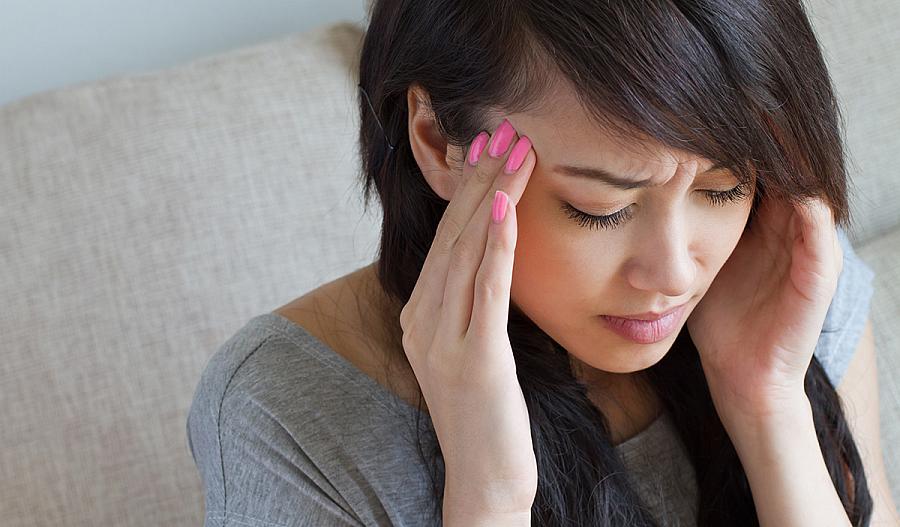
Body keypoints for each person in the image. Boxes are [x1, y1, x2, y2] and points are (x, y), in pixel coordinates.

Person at [187, 1, 900, 525]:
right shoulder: (286, 409)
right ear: (437, 140)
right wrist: (489, 498)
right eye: (600, 207)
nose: (676, 274)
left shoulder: (785, 282)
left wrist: (767, 404)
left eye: (723, 189)